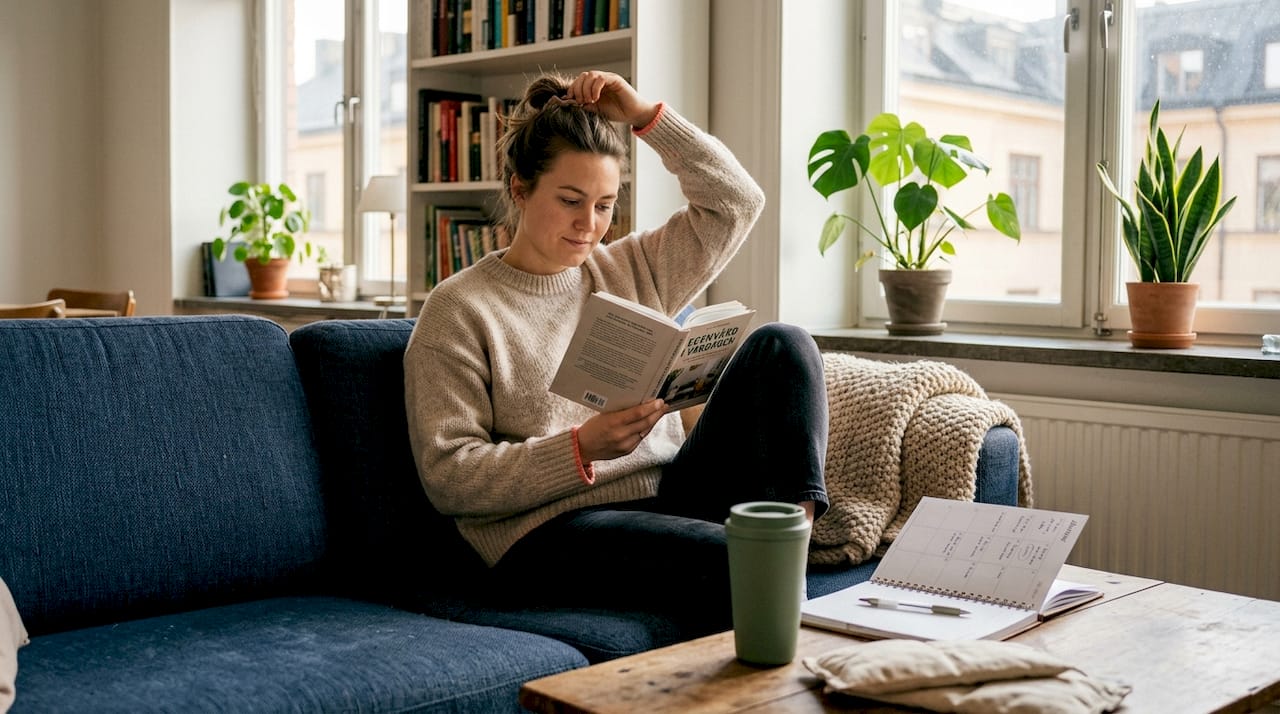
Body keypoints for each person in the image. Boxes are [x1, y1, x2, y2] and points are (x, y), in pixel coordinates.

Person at [404, 70, 828, 629]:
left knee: (784, 345)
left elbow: (737, 201)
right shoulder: (458, 308)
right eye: (571, 201)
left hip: (669, 494)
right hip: (546, 531)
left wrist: (645, 116)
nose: (589, 226)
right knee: (738, 561)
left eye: (605, 205)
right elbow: (449, 477)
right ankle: (778, 582)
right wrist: (579, 448)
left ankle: (786, 555)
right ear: (519, 189)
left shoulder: (629, 267)